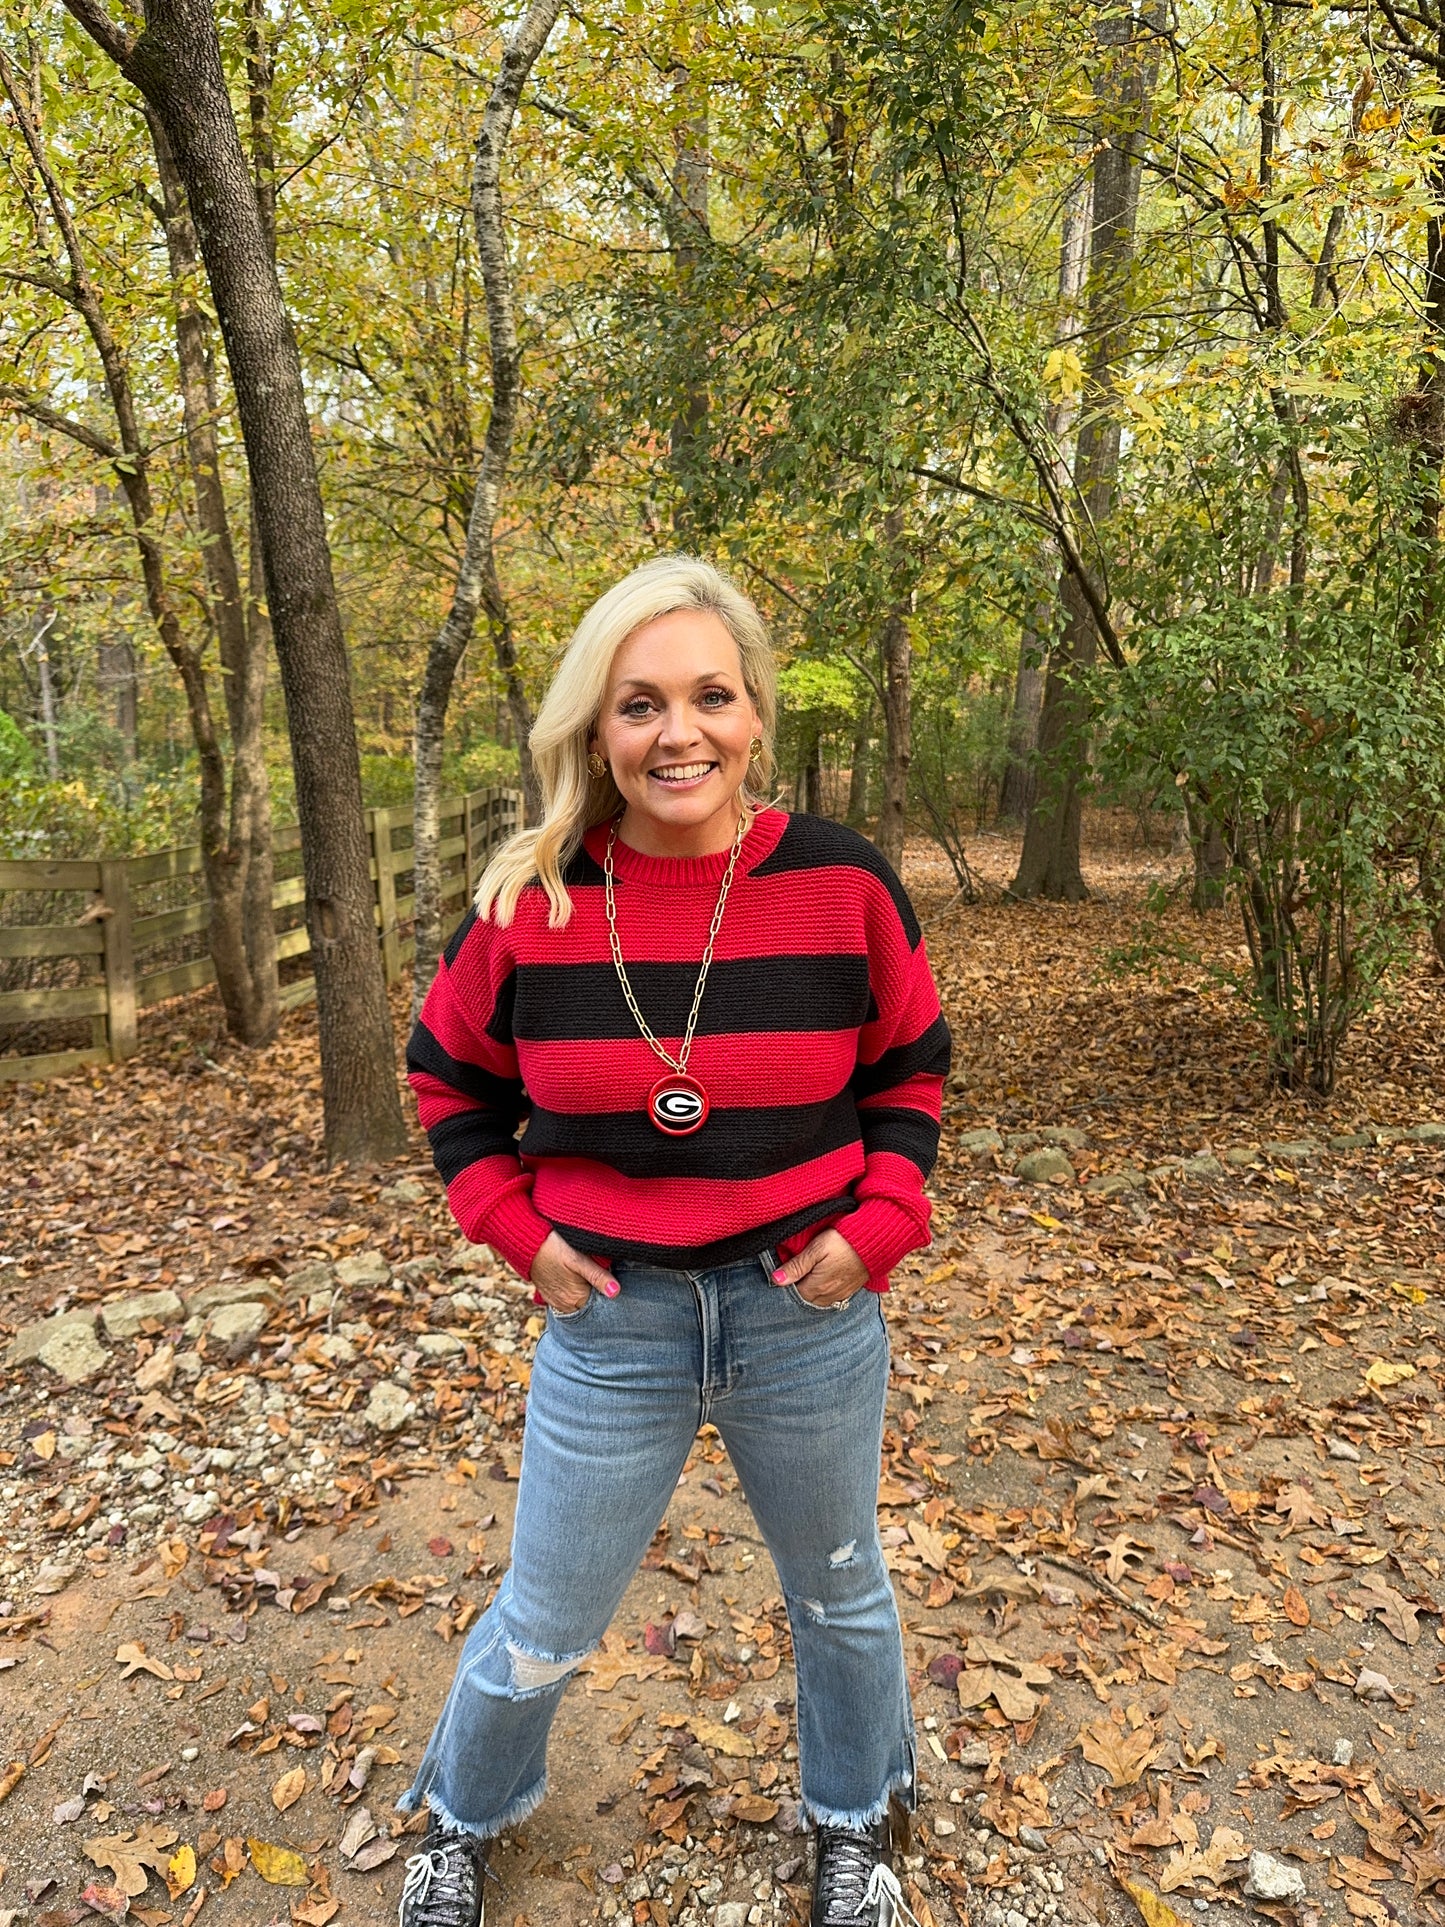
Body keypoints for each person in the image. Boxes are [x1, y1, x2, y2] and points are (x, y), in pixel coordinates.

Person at [398, 556, 951, 1927]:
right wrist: (510, 1229)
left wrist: (882, 1219)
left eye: (709, 696)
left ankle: (854, 1818)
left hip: (802, 1315)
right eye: (639, 704)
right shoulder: (534, 899)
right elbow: (443, 1078)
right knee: (546, 1616)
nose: (677, 732)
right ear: (595, 729)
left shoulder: (841, 882)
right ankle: (460, 1818)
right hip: (614, 1323)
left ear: (755, 713)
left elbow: (911, 1065)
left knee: (838, 1595)